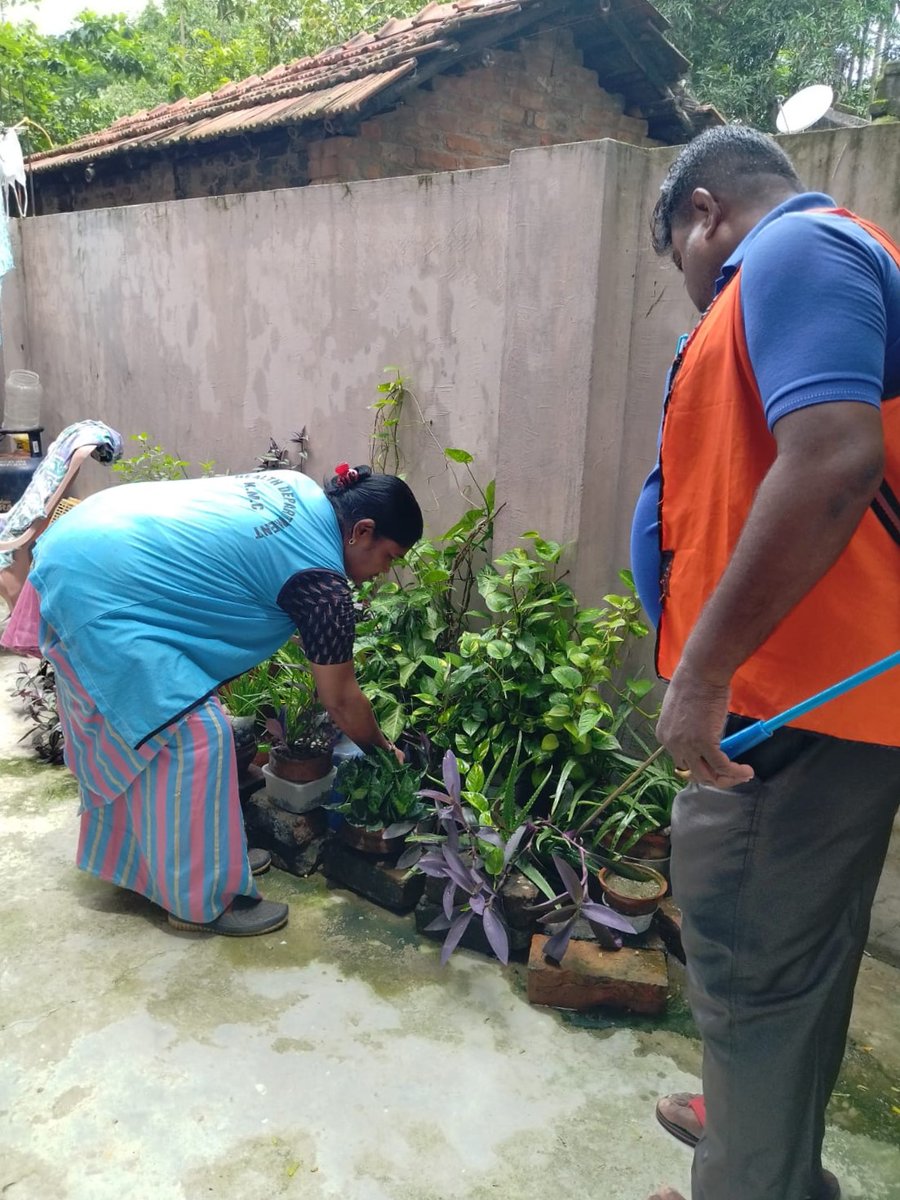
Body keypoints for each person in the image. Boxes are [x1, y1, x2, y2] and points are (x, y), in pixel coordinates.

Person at [630, 126, 900, 1200]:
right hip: (819, 702)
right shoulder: (828, 262)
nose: (696, 294)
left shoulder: (795, 251)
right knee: (788, 965)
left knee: (749, 964)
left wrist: (701, 676)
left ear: (705, 213)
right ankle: (764, 1143)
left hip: (792, 706)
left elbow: (835, 457)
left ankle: (752, 1179)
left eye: (687, 270)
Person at [26, 462, 423, 937]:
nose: (383, 574)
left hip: (92, 538)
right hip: (99, 582)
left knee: (171, 733)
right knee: (194, 739)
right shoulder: (322, 588)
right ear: (362, 531)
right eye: (389, 556)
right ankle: (203, 901)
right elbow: (340, 699)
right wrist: (384, 748)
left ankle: (200, 860)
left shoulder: (298, 489)